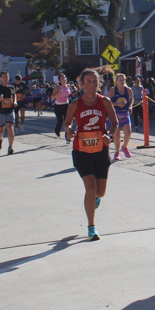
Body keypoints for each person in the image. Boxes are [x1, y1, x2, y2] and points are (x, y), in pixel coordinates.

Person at [64, 69, 119, 241]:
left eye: (94, 81)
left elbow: (115, 123)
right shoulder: (75, 104)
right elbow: (67, 123)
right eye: (88, 81)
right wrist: (69, 131)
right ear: (81, 84)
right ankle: (91, 227)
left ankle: (95, 198)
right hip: (81, 150)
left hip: (101, 149)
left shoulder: (105, 102)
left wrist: (109, 136)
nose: (91, 85)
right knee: (90, 187)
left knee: (100, 192)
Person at [108, 73, 134, 160]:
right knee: (117, 135)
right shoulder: (113, 90)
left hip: (125, 113)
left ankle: (124, 147)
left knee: (128, 132)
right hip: (115, 114)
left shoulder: (128, 90)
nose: (122, 82)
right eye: (120, 80)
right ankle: (117, 152)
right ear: (116, 81)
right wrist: (116, 104)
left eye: (123, 80)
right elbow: (106, 101)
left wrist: (130, 106)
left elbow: (131, 98)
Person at [0, 71, 18, 154]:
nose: (5, 78)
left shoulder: (11, 87)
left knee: (10, 127)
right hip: (0, 111)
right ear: (0, 78)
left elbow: (14, 95)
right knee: (0, 129)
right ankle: (0, 139)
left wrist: (15, 102)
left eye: (7, 76)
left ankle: (10, 147)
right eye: (4, 77)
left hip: (10, 110)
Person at [52, 74, 72, 141]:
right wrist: (57, 94)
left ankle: (67, 136)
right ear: (60, 80)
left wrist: (73, 93)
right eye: (62, 78)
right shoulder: (57, 88)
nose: (64, 79)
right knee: (60, 121)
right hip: (58, 106)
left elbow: (69, 93)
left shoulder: (68, 86)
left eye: (65, 77)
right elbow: (52, 97)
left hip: (66, 105)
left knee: (67, 122)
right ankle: (56, 132)